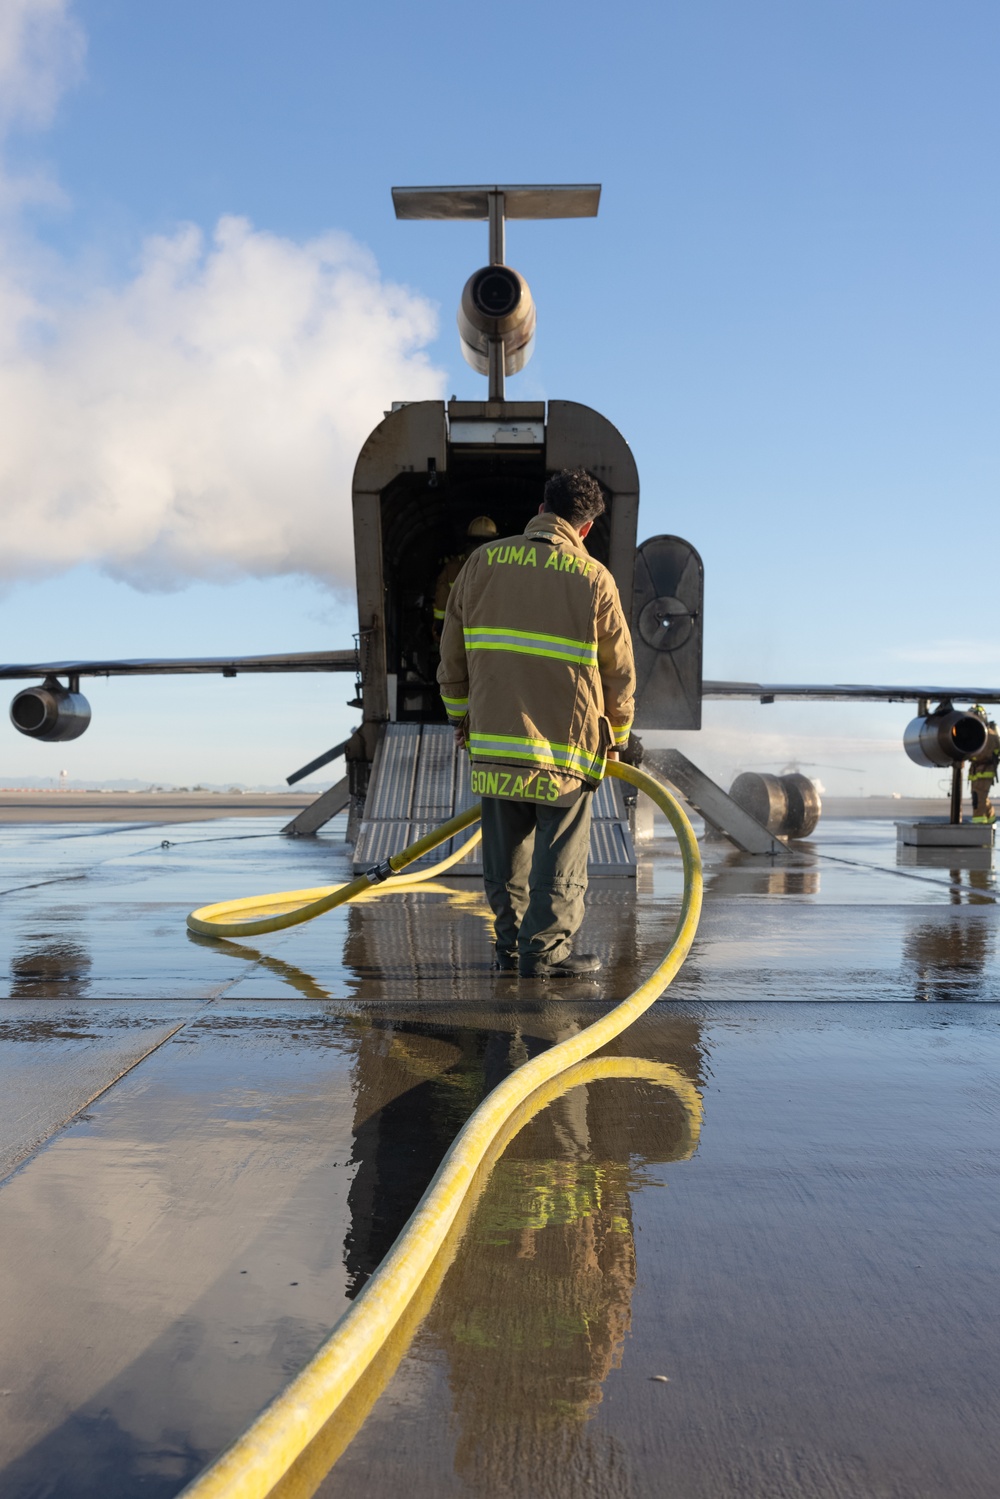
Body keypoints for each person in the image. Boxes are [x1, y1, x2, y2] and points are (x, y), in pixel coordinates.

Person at [437, 468, 635, 979]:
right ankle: (545, 955)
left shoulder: (481, 563)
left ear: (542, 507)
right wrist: (618, 737)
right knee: (559, 860)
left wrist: (461, 719)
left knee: (505, 857)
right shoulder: (594, 578)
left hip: (496, 742)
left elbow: (452, 656)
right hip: (564, 752)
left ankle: (509, 949)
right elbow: (618, 673)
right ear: (584, 528)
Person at [432, 516, 498, 639]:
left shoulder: (453, 566)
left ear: (468, 539)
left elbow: (442, 595)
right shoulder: (502, 566)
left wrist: (439, 623)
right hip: (492, 631)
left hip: (460, 629)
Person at [968, 705, 1000, 824]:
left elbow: (981, 754)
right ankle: (991, 819)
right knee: (982, 797)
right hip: (977, 771)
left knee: (978, 798)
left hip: (984, 771)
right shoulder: (979, 733)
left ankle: (979, 823)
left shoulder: (989, 735)